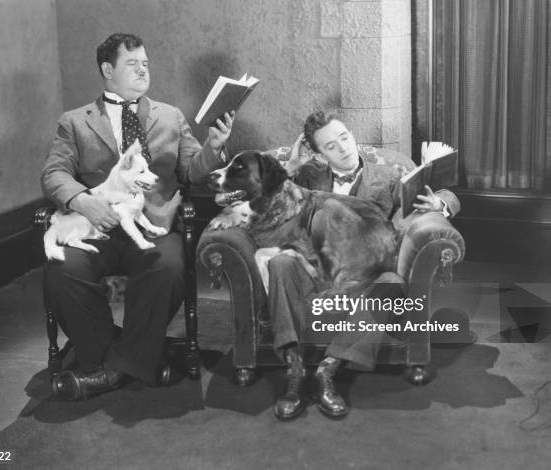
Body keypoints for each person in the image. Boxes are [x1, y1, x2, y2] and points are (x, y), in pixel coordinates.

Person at [41, 33, 234, 400]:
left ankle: (108, 369)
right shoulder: (74, 122)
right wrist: (83, 201)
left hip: (153, 228)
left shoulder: (170, 116)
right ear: (107, 70)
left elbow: (194, 170)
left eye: (145, 63)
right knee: (62, 270)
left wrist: (213, 147)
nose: (143, 69)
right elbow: (54, 174)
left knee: (168, 268)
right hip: (95, 229)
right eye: (133, 64)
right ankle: (133, 359)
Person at [268, 111, 460, 420]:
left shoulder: (388, 174)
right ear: (318, 154)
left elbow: (445, 192)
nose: (343, 148)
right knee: (280, 263)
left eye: (344, 137)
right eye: (331, 146)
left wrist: (439, 204)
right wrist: (291, 165)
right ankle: (294, 372)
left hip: (366, 272)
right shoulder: (307, 177)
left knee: (393, 285)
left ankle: (328, 372)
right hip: (318, 268)